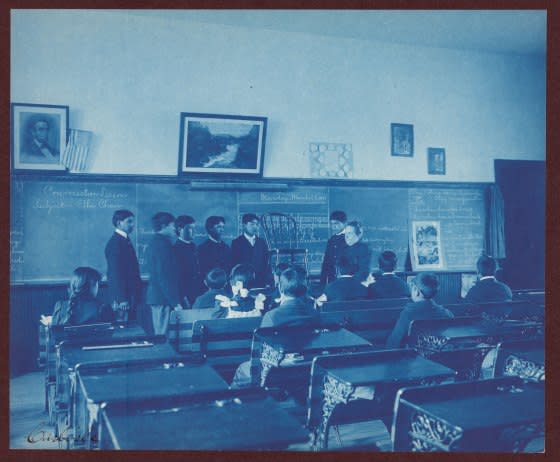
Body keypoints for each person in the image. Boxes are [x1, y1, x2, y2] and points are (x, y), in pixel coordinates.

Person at [385, 272, 453, 349]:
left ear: (416, 290)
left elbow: (394, 344)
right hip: (439, 356)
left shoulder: (408, 314)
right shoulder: (447, 313)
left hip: (414, 358)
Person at [145, 212, 182, 335]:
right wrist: (175, 302)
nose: (175, 229)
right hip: (163, 298)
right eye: (173, 225)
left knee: (162, 335)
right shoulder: (162, 244)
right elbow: (164, 277)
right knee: (162, 336)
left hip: (160, 297)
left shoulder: (158, 242)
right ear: (164, 225)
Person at [104, 209, 142, 322]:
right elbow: (115, 273)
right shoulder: (116, 243)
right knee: (123, 328)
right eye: (129, 221)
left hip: (130, 295)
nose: (133, 225)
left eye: (133, 222)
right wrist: (122, 299)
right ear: (119, 223)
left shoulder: (124, 240)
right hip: (123, 299)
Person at [231, 213, 272, 288]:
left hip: (260, 281)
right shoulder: (236, 243)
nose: (255, 227)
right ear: (244, 225)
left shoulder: (262, 242)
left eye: (257, 224)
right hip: (244, 282)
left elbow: (266, 262)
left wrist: (268, 280)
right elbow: (234, 264)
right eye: (252, 224)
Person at [174, 215, 200, 307]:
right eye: (190, 228)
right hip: (185, 296)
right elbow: (177, 277)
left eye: (194, 228)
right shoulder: (175, 249)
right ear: (180, 229)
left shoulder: (194, 246)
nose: (194, 231)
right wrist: (184, 297)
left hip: (198, 293)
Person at [320, 211, 348, 286]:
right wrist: (322, 283)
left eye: (337, 223)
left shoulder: (349, 238)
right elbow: (326, 262)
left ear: (345, 223)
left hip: (346, 281)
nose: (333, 226)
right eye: (331, 224)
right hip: (332, 280)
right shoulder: (331, 240)